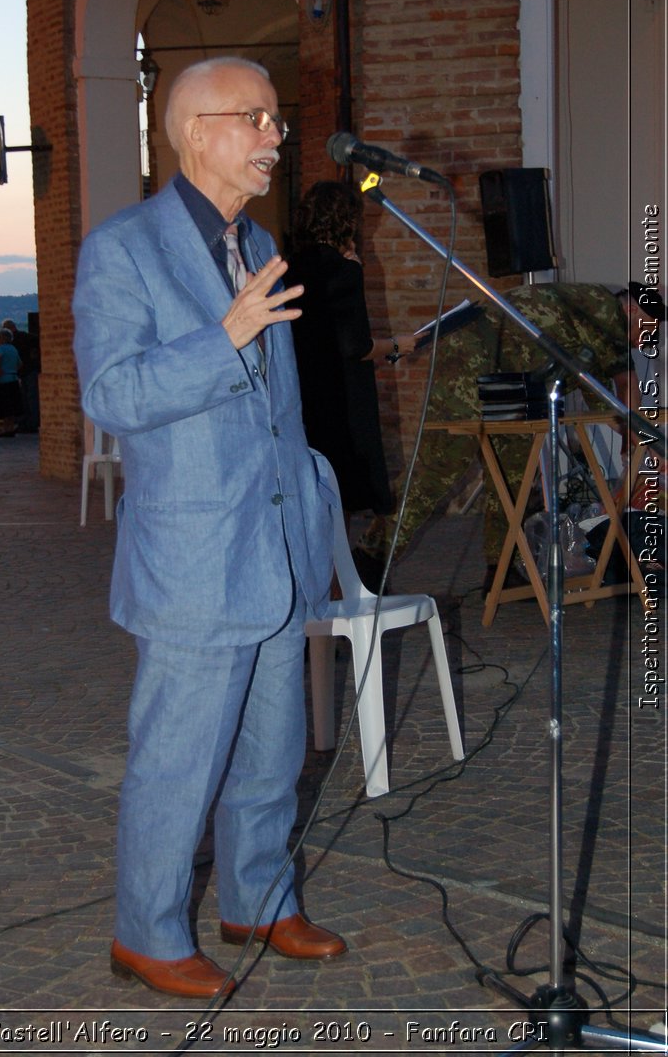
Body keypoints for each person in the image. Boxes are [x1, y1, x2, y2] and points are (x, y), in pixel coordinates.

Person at [73, 56, 343, 1001]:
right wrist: (220, 337)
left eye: (276, 119)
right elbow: (111, 395)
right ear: (196, 133)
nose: (277, 135)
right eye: (256, 118)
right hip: (193, 557)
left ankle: (260, 900)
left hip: (272, 547)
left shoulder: (258, 241)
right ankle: (145, 935)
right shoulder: (123, 249)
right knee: (179, 761)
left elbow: (280, 411)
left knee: (274, 751)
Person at [355, 280, 665, 585]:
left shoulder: (597, 327)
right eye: (649, 331)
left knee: (513, 471)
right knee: (438, 468)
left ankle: (500, 567)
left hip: (509, 378)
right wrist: (644, 442)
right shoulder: (604, 310)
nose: (646, 342)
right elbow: (625, 384)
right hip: (470, 357)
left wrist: (634, 441)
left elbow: (609, 397)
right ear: (633, 310)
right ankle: (371, 556)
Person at [287, 180, 414, 518]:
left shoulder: (289, 267)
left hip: (300, 391)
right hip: (339, 398)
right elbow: (356, 345)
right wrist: (398, 344)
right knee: (339, 493)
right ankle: (340, 569)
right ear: (347, 221)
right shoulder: (344, 271)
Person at [1, 317, 40, 432]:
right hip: (25, 372)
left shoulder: (22, 338)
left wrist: (34, 354)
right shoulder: (22, 337)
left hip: (28, 372)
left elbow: (37, 341)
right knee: (26, 399)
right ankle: (28, 423)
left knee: (30, 399)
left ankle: (32, 423)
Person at [0, 328, 23, 437]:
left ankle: (6, 429)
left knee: (5, 405)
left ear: (4, 338)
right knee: (12, 405)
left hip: (4, 380)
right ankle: (11, 427)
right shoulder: (13, 349)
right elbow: (20, 364)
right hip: (13, 378)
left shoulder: (1, 348)